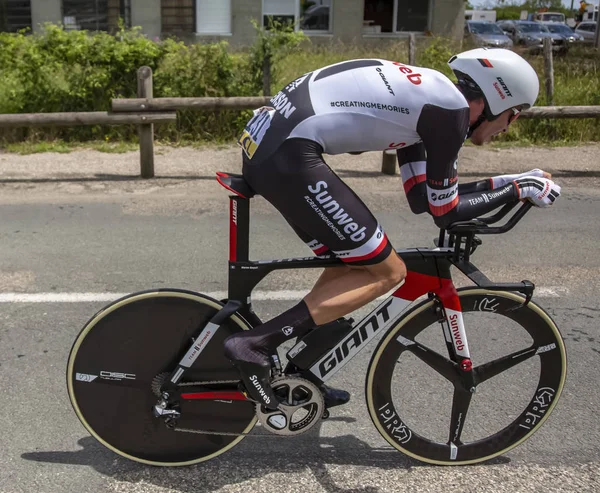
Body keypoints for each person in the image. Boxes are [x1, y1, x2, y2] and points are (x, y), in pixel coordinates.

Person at [224, 48, 561, 410]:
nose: (509, 126)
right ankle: (255, 343)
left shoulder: (431, 101)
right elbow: (445, 214)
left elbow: (423, 197)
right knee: (389, 271)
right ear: (498, 99)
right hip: (287, 155)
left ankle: (300, 373)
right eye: (514, 114)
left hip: (272, 148)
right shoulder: (450, 114)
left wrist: (512, 181)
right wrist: (519, 189)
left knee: (356, 262)